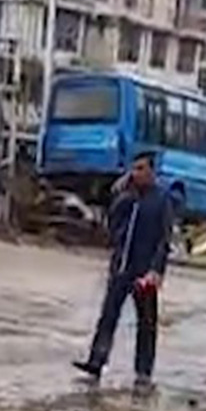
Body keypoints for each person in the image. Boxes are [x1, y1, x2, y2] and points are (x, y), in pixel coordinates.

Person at [72, 150, 173, 392]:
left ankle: (143, 372)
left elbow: (165, 239)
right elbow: (112, 225)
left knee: (146, 323)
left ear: (151, 171)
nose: (135, 173)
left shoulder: (161, 200)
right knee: (108, 316)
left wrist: (156, 271)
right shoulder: (127, 196)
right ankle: (96, 361)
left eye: (140, 169)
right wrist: (120, 195)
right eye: (133, 169)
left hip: (144, 271)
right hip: (121, 267)